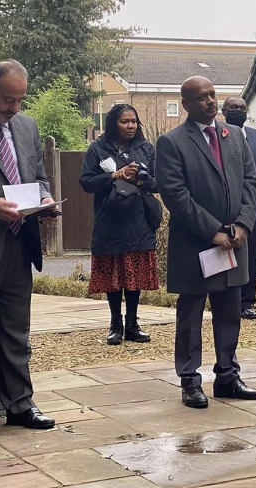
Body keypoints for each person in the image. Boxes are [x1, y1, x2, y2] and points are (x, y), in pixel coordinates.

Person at [157, 76, 256, 408]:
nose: (211, 101)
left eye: (213, 95)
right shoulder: (172, 142)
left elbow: (251, 180)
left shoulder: (232, 136)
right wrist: (212, 230)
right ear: (186, 105)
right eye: (202, 97)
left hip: (234, 241)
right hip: (198, 244)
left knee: (230, 310)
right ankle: (190, 380)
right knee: (190, 315)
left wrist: (243, 224)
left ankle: (228, 376)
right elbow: (176, 195)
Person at [0, 60, 57, 441]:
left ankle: (20, 404)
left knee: (16, 332)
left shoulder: (27, 126)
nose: (14, 108)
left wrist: (46, 198)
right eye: (8, 99)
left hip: (20, 244)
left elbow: (36, 176)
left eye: (20, 100)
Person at [80, 104, 160, 345]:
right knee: (113, 273)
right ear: (114, 123)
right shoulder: (98, 148)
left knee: (134, 273)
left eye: (134, 121)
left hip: (138, 220)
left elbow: (159, 183)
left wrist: (142, 180)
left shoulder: (146, 148)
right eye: (125, 121)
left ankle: (133, 324)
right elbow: (86, 182)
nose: (131, 126)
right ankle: (115, 324)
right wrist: (115, 175)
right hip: (110, 220)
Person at [221, 97, 256, 320]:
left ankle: (246, 302)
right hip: (226, 211)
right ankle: (224, 303)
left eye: (242, 108)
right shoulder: (216, 136)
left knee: (251, 258)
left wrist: (254, 205)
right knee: (223, 257)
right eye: (233, 108)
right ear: (223, 111)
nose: (238, 111)